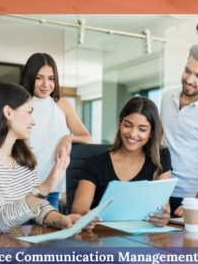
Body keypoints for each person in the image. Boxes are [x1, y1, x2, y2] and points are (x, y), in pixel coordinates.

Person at [0, 82, 98, 233]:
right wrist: (46, 186)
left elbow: (39, 207)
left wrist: (63, 220)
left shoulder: (22, 158)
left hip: (11, 244)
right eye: (30, 112)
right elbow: (2, 220)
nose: (34, 121)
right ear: (8, 112)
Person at [72, 97, 172, 227]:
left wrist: (163, 217)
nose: (132, 134)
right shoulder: (95, 163)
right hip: (103, 236)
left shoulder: (160, 157)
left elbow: (164, 206)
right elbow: (78, 205)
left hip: (146, 237)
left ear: (151, 132)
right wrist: (83, 214)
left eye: (142, 129)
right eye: (127, 125)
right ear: (120, 123)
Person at [20, 53, 93, 210]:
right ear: (30, 77)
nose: (46, 84)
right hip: (22, 186)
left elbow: (88, 138)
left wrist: (69, 138)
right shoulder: (19, 104)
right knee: (21, 233)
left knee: (49, 232)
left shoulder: (62, 105)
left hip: (52, 186)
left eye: (51, 78)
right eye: (39, 77)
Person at [160, 44, 198, 217]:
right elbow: (160, 141)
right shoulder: (167, 96)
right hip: (163, 191)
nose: (189, 79)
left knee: (191, 244)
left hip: (195, 197)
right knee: (158, 243)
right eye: (187, 71)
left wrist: (197, 202)